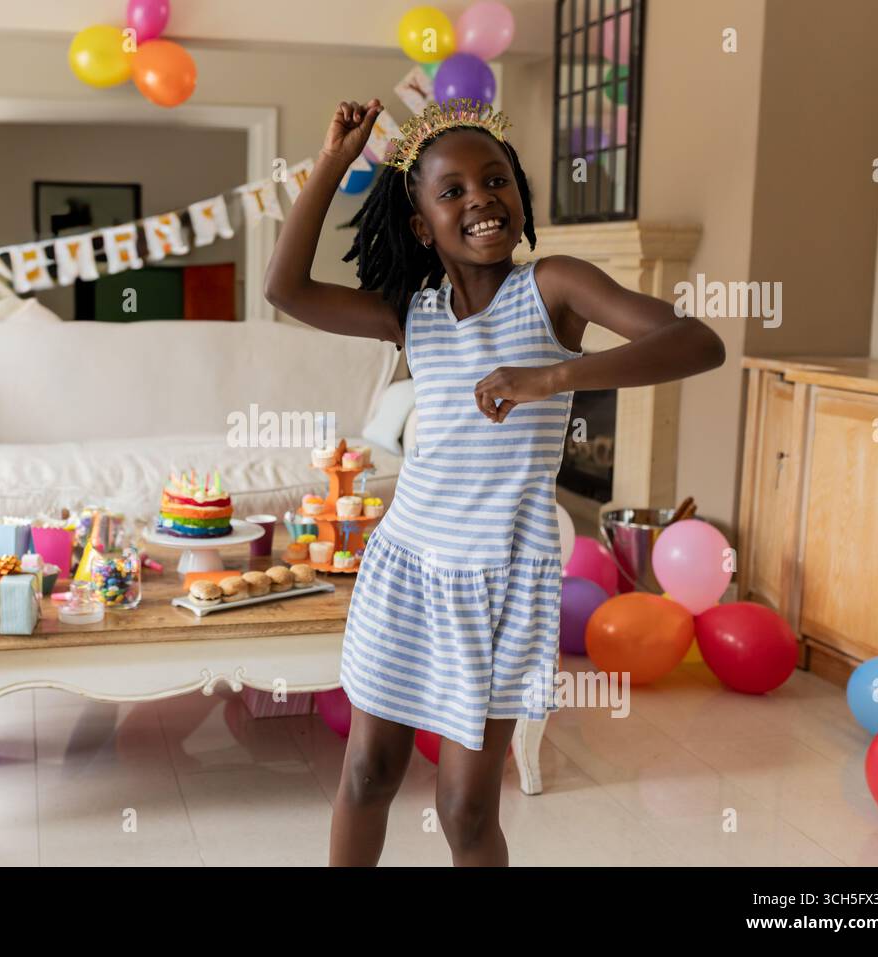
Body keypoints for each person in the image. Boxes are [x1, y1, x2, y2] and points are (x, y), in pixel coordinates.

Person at [264, 97, 725, 866]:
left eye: (496, 180)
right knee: (370, 770)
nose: (481, 198)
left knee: (465, 807)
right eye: (452, 191)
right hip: (406, 569)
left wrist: (554, 375)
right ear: (421, 224)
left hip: (502, 583)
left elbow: (697, 340)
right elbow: (286, 289)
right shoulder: (413, 312)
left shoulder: (552, 287)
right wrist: (334, 163)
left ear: (519, 194)